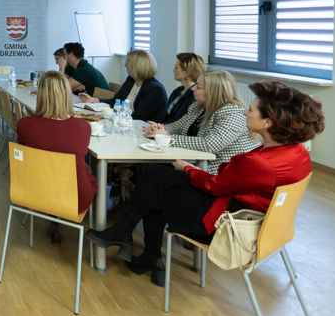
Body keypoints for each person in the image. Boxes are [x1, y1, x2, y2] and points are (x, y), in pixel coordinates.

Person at [85, 81, 322, 287]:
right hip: (255, 218)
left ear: (268, 123)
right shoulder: (297, 152)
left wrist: (188, 168)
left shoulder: (259, 162)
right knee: (157, 178)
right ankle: (139, 247)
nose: (244, 114)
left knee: (155, 182)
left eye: (251, 111)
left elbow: (215, 186)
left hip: (226, 226)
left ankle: (132, 240)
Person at [16, 71, 98, 246]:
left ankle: (55, 219)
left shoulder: (24, 124)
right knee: (88, 174)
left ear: (40, 94)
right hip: (74, 198)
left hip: (34, 191)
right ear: (66, 95)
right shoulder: (83, 128)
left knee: (51, 173)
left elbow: (23, 157)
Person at [143, 69, 261, 174]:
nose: (193, 88)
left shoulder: (233, 114)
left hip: (218, 173)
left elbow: (209, 144)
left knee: (155, 172)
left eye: (198, 87)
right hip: (197, 164)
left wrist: (167, 139)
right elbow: (178, 125)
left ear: (213, 92)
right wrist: (160, 129)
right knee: (151, 168)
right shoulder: (200, 107)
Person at [79, 50, 167, 122]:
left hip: (143, 130)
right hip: (126, 124)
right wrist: (95, 100)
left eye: (127, 63)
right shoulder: (130, 80)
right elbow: (116, 101)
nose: (125, 65)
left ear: (136, 66)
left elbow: (139, 116)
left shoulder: (155, 89)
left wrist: (111, 118)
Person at [164, 53, 206, 124]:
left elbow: (180, 122)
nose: (173, 70)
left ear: (187, 73)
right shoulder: (177, 91)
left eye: (176, 67)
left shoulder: (195, 95)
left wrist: (161, 128)